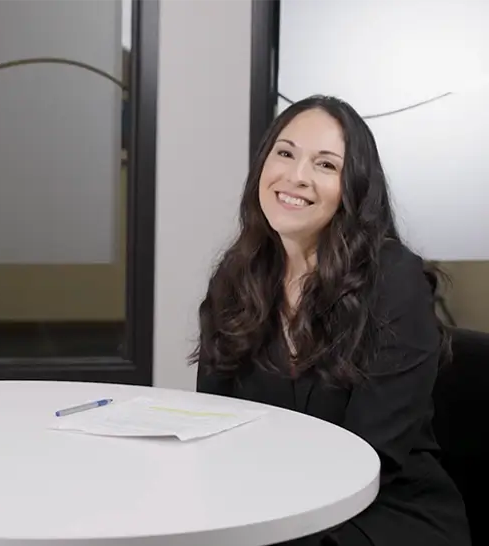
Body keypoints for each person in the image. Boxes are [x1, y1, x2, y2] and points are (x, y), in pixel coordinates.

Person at [192, 95, 470, 545]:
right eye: (285, 153)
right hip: (270, 506)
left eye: (325, 165)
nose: (296, 176)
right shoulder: (238, 275)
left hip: (382, 514)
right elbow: (215, 421)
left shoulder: (394, 280)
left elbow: (371, 456)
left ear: (355, 188)